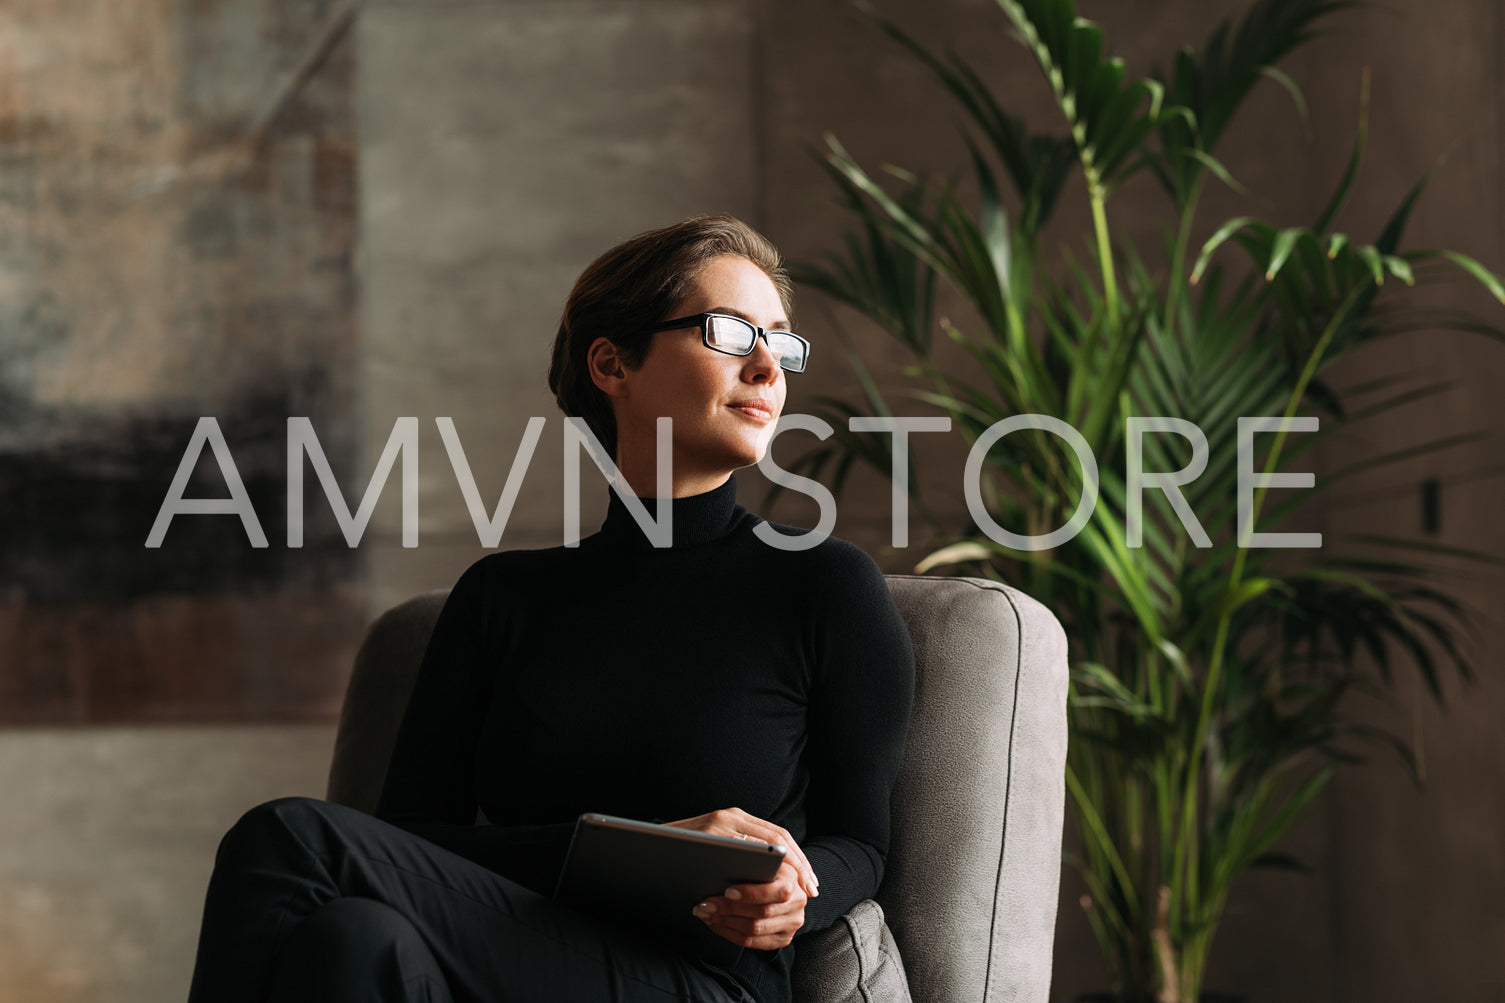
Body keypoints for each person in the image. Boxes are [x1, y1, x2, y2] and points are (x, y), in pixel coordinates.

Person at [185, 215, 915, 1003]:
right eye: (732, 333)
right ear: (611, 363)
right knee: (353, 938)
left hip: (700, 981)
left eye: (781, 340)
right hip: (511, 956)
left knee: (286, 837)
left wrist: (794, 891)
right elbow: (405, 842)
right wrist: (617, 853)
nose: (769, 366)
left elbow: (862, 843)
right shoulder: (502, 600)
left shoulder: (821, 584)